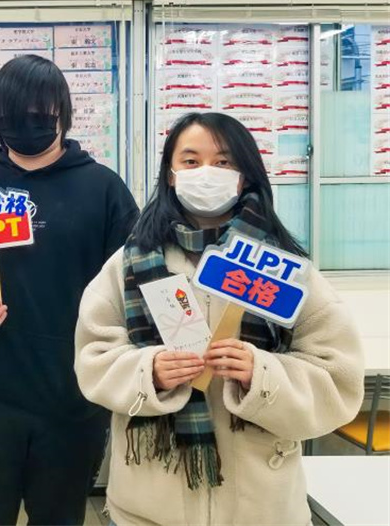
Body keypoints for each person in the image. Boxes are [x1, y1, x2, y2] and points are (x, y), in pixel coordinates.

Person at [74, 112, 365, 526]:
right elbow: (92, 356)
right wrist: (147, 371)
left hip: (264, 511)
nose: (207, 172)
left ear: (244, 177)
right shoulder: (131, 262)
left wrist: (261, 374)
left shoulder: (283, 267)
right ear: (171, 174)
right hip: (147, 509)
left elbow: (339, 379)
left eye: (224, 162)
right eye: (191, 161)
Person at [0, 55, 139, 525]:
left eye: (39, 111)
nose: (26, 122)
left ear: (62, 111)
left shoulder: (103, 189)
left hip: (74, 396)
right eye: (12, 113)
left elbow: (134, 280)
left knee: (60, 518)